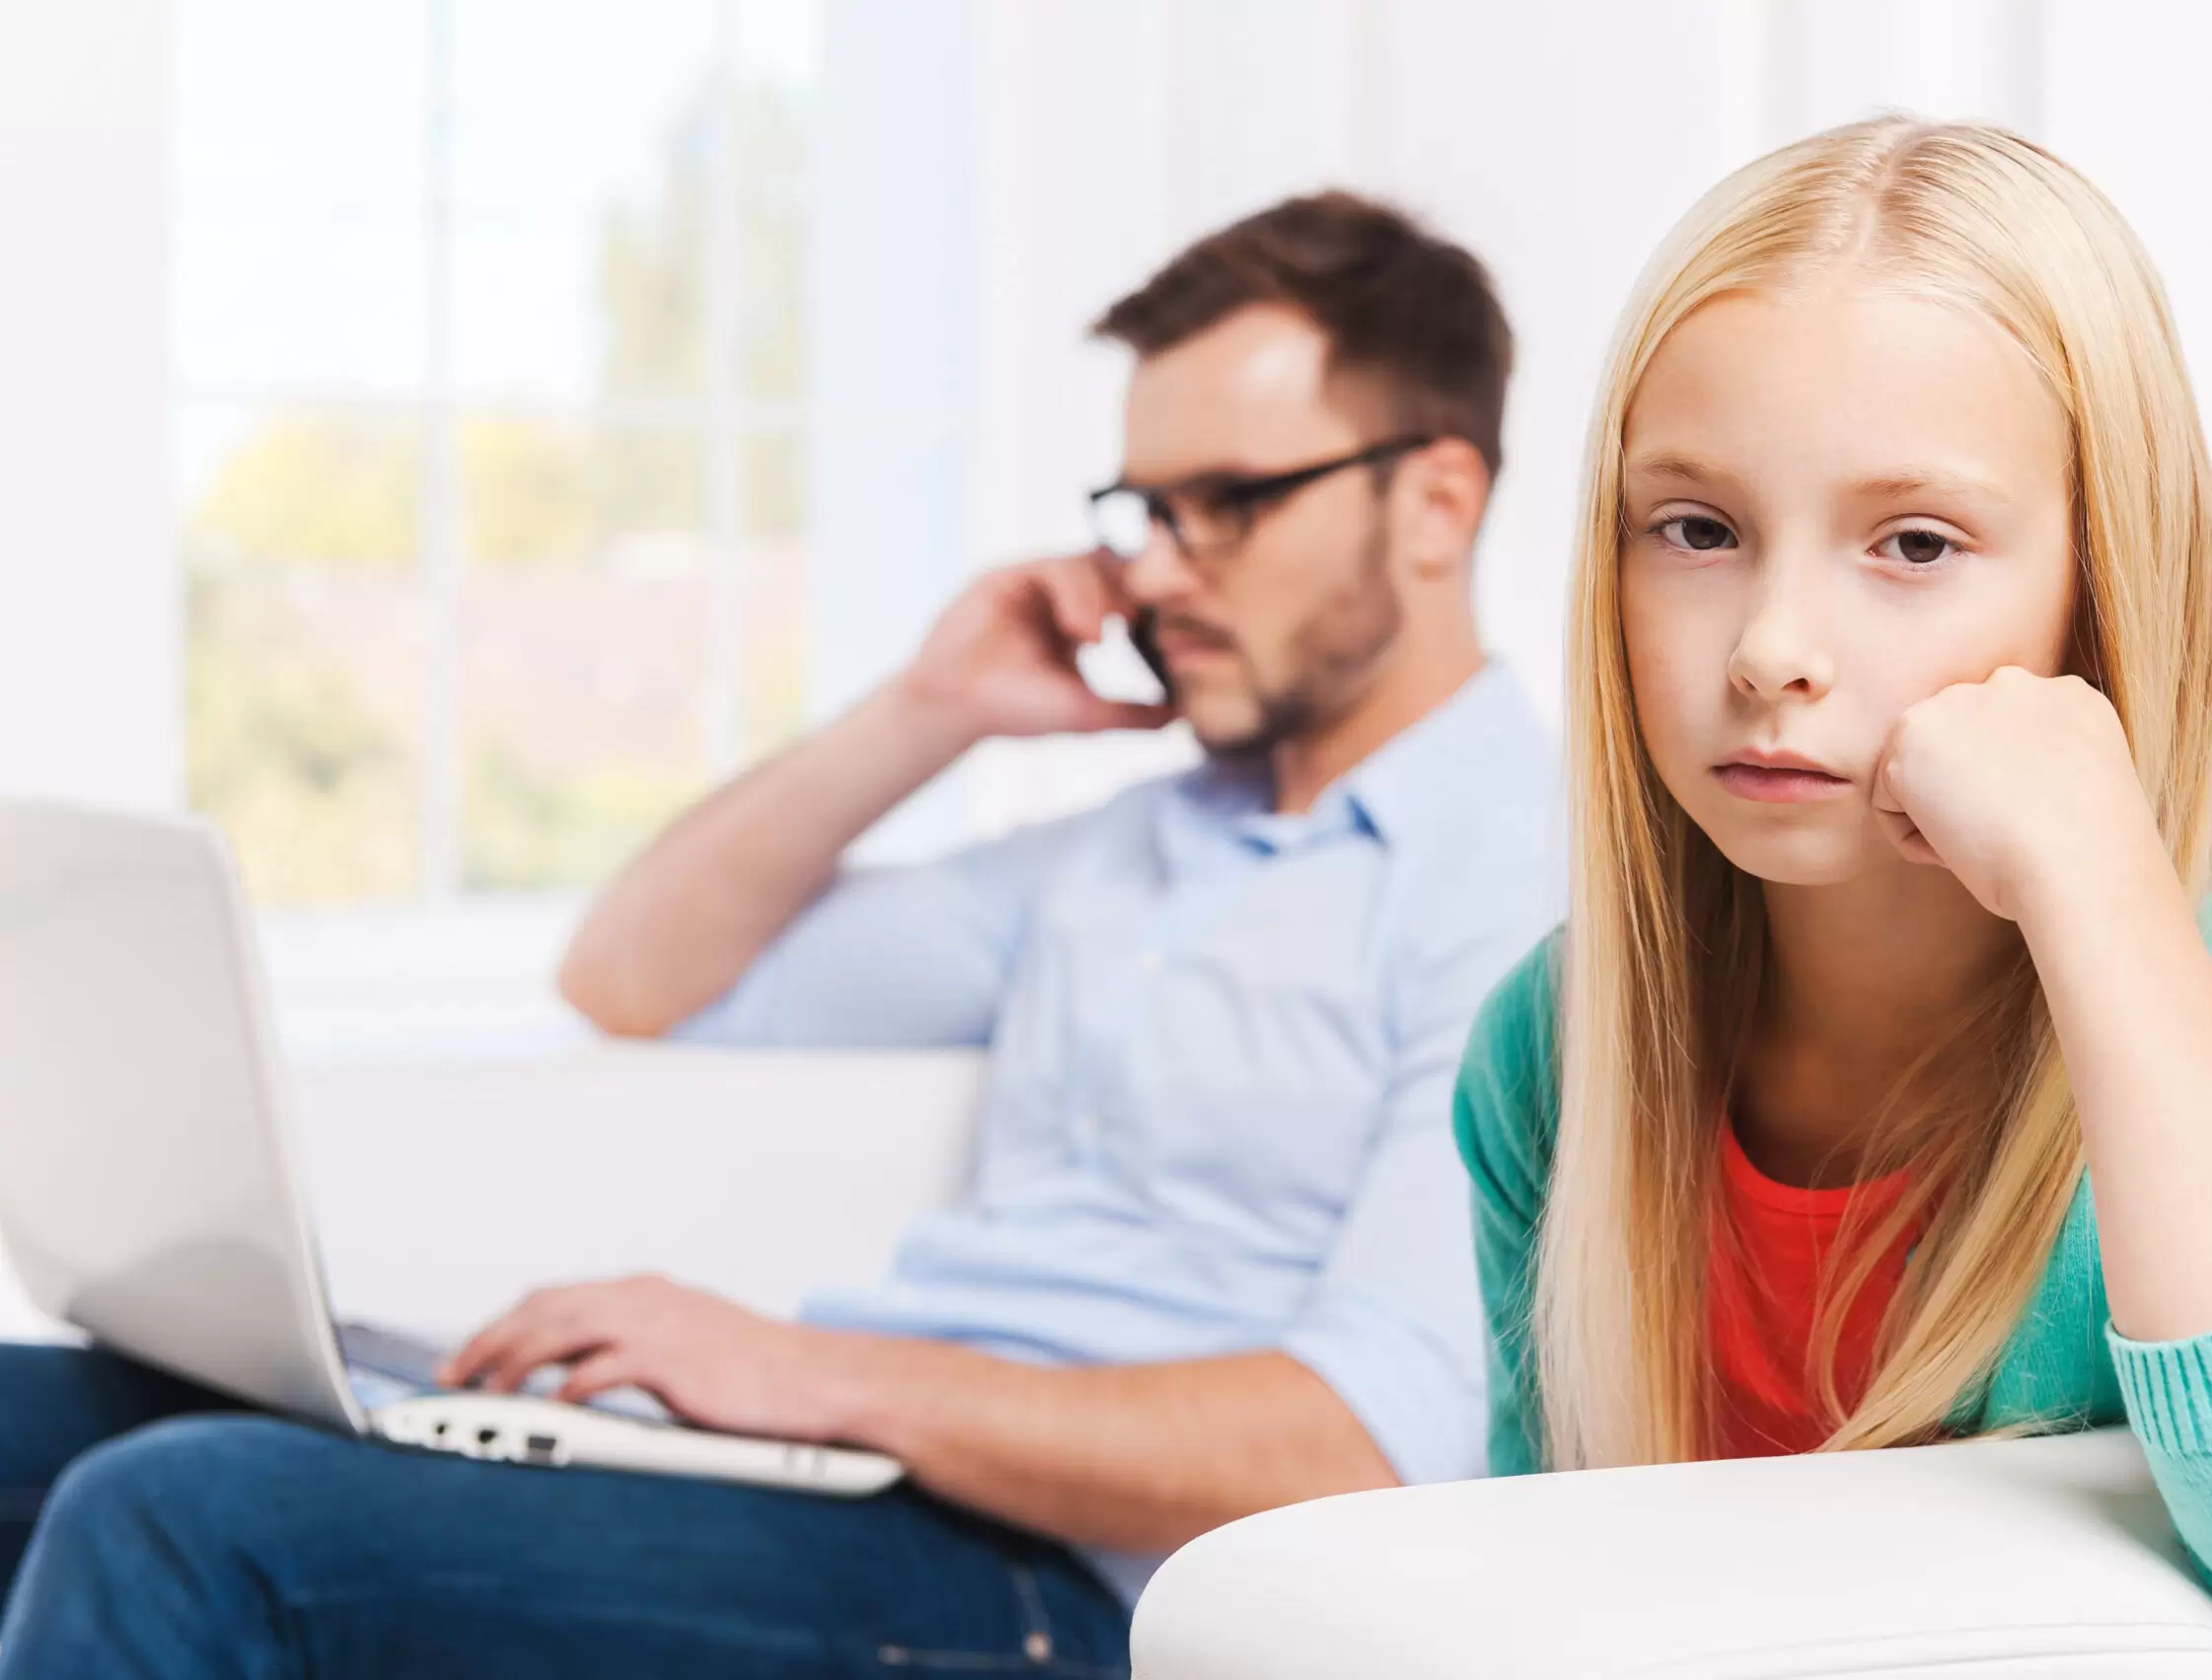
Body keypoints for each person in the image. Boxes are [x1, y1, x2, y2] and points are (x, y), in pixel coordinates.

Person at [0, 191, 1561, 1677]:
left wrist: (789, 1369)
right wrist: (932, 708)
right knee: (25, 1421)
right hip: (848, 1476)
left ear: (1434, 502)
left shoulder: (1527, 882)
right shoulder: (1137, 849)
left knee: (186, 1526)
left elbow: (1367, 1442)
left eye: (1227, 502)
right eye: (1142, 508)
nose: (1151, 568)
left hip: (1080, 1588)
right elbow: (634, 971)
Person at [1453, 116, 2212, 1668]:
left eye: (1916, 542)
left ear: (2099, 593)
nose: (1769, 645)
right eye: (1697, 529)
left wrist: (2099, 881)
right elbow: (1543, 1588)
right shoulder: (1558, 1042)